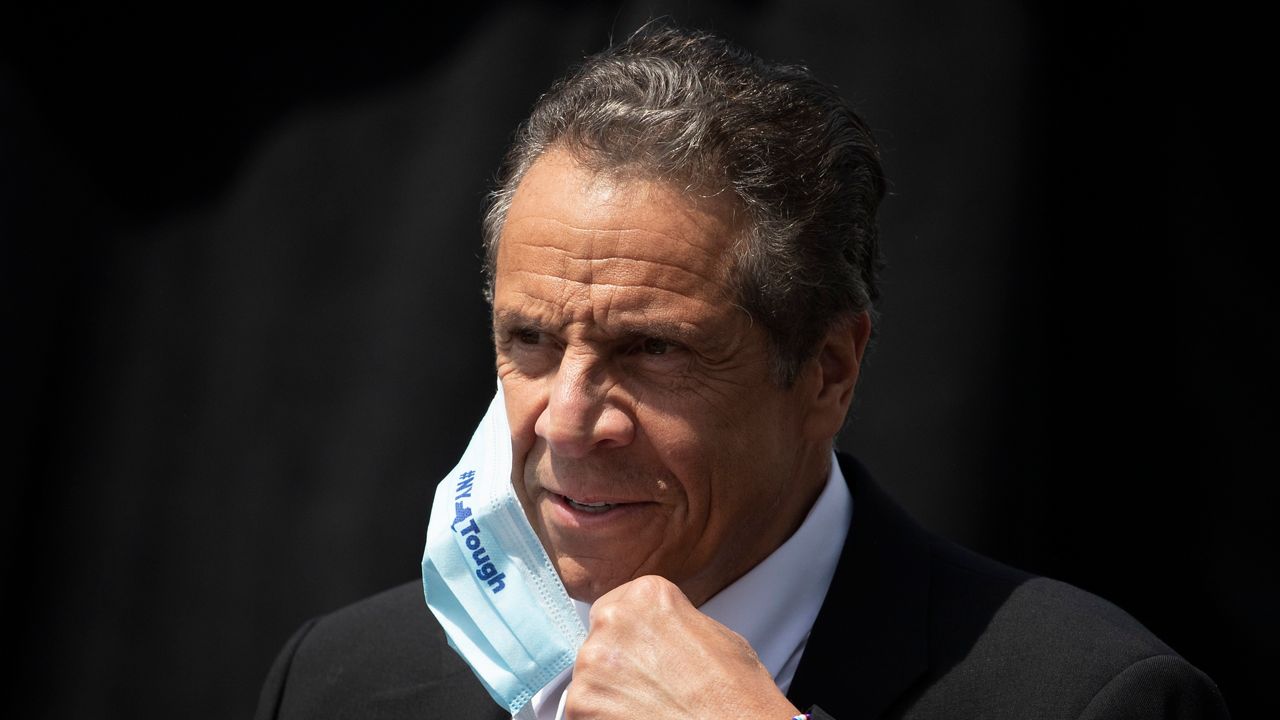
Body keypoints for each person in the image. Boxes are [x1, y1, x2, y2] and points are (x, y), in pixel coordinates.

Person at [255, 25, 1229, 720]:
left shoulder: (1089, 697)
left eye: (652, 350)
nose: (565, 422)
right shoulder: (340, 680)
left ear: (828, 370)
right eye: (531, 343)